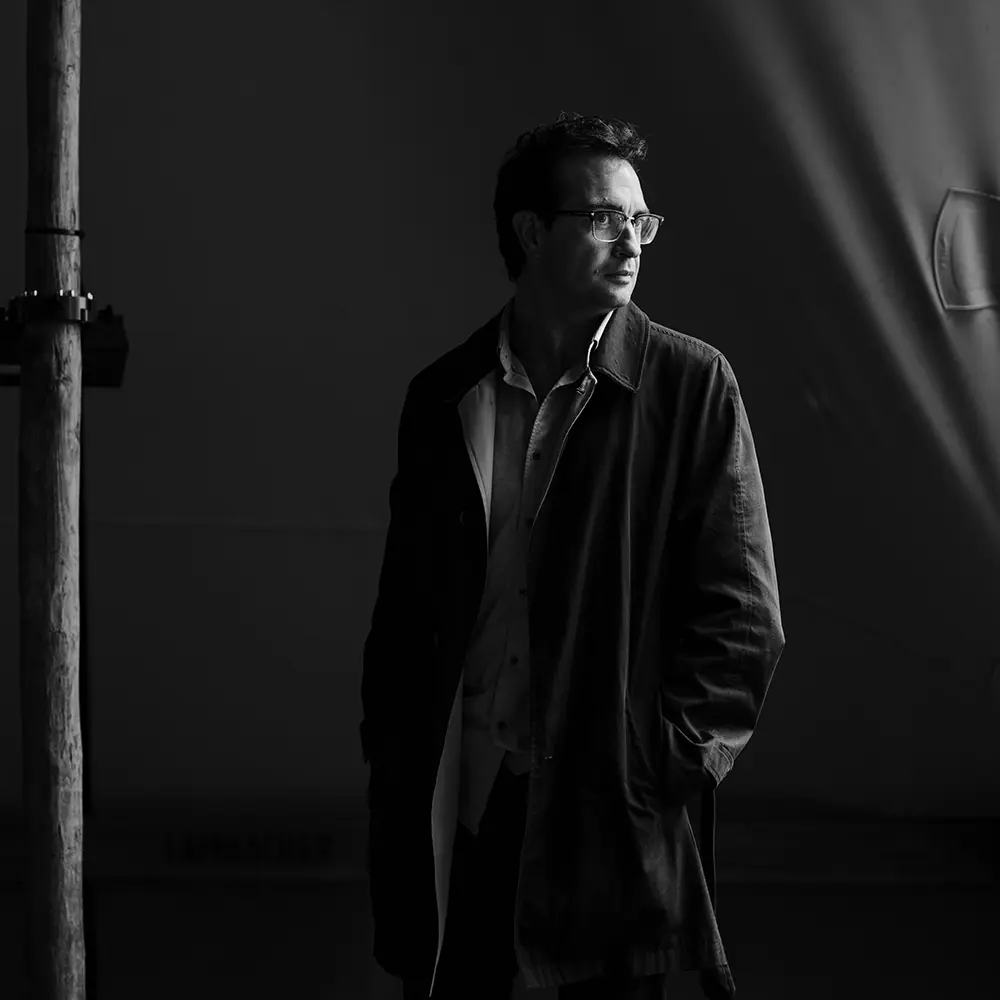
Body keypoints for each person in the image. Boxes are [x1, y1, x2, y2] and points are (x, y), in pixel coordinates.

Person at [360, 112, 785, 1000]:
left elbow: (744, 616)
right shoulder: (444, 397)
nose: (630, 243)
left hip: (612, 810)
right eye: (602, 218)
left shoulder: (691, 385)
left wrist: (661, 765)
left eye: (641, 221)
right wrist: (393, 755)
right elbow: (404, 612)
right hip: (468, 796)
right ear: (530, 232)